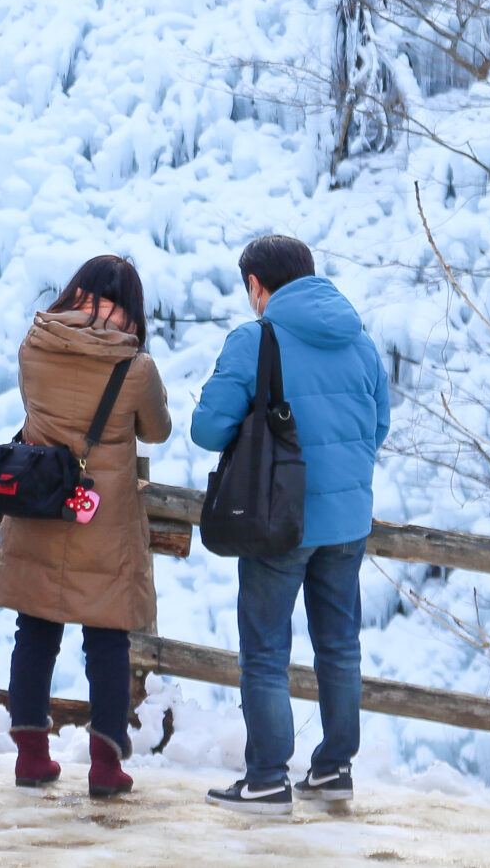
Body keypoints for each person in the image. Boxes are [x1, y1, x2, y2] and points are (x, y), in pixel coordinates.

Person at [192, 234, 391, 815]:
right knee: (339, 646)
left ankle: (268, 779)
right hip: (348, 521)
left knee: (264, 650)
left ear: (257, 286)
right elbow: (378, 426)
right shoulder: (360, 341)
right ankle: (333, 770)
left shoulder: (256, 339)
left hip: (279, 519)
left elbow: (208, 429)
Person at [0, 255, 172, 798]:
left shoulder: (34, 345)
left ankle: (31, 758)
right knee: (108, 641)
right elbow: (156, 430)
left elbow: (34, 411)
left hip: (41, 506)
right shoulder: (134, 366)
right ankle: (106, 767)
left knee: (35, 633)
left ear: (76, 291)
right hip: (102, 517)